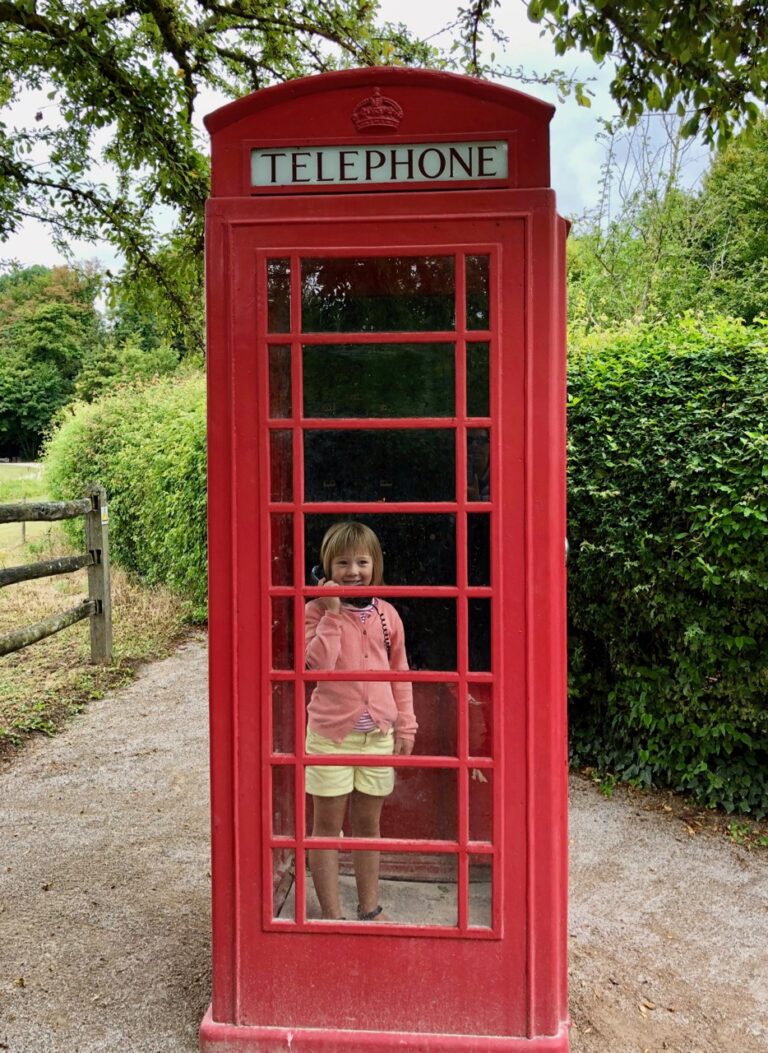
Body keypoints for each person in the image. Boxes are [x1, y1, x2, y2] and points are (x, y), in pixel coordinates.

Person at [304, 521, 416, 922]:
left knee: (369, 826)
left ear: (375, 565)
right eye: (343, 563)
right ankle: (332, 916)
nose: (353, 571)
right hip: (330, 737)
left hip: (377, 737)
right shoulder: (315, 612)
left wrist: (407, 724)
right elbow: (316, 666)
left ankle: (369, 907)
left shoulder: (388, 615)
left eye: (362, 562)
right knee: (327, 829)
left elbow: (399, 672)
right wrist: (332, 613)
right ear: (326, 568)